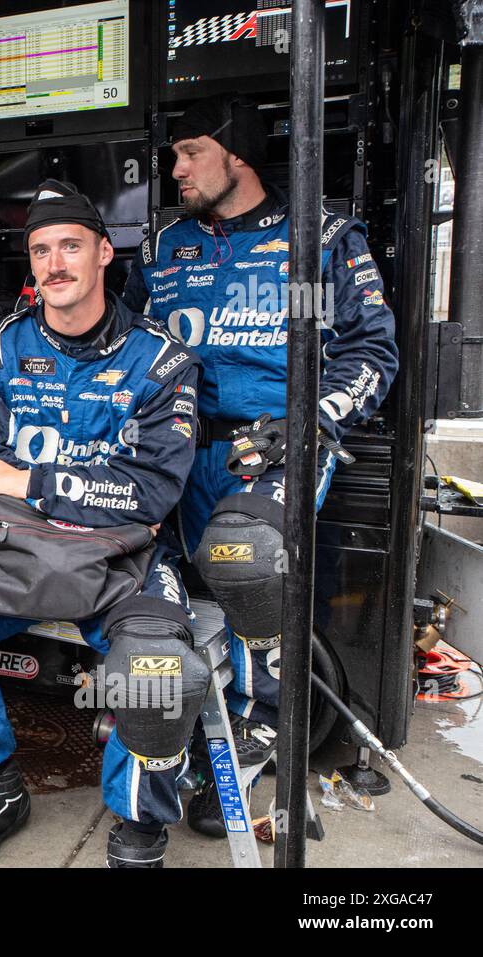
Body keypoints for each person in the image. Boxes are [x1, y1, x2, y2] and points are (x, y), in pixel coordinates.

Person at [0, 181, 204, 868]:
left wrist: (29, 482)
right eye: (41, 250)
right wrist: (72, 493)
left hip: (122, 563)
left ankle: (139, 822)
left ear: (104, 252)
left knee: (159, 672)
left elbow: (150, 494)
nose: (55, 263)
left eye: (70, 247)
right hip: (7, 552)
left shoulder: (162, 359)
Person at [120, 94, 398, 834]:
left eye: (190, 153)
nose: (175, 169)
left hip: (277, 445)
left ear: (236, 154)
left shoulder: (322, 239)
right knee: (160, 589)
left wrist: (313, 422)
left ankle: (257, 734)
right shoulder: (160, 250)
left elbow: (372, 352)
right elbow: (126, 351)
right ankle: (171, 748)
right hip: (181, 449)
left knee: (248, 561)